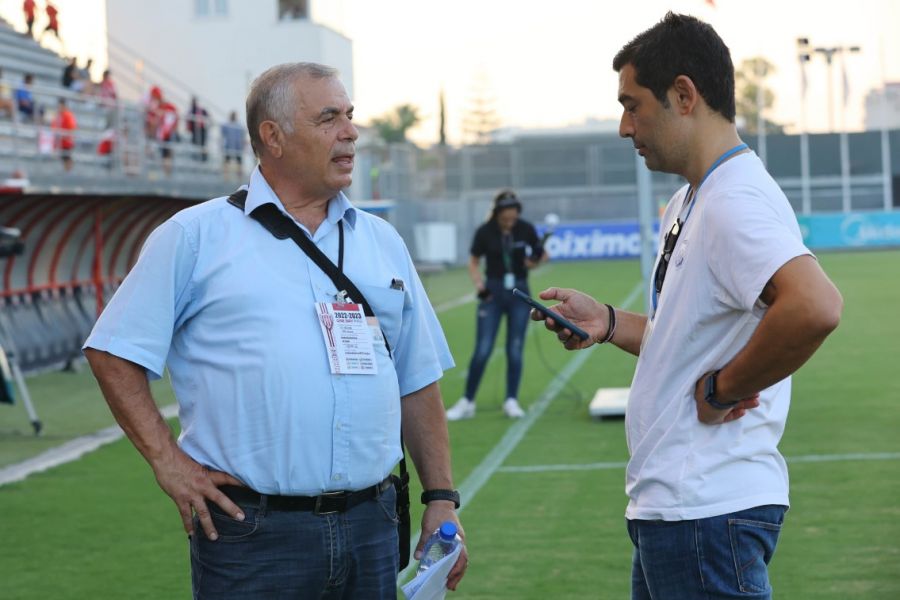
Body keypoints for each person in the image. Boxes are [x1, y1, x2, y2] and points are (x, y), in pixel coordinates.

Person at [83, 62, 468, 598]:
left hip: (373, 525)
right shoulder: (195, 236)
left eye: (350, 115)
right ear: (273, 136)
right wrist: (169, 464)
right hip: (254, 534)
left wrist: (441, 498)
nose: (351, 132)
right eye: (329, 118)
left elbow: (417, 377)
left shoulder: (381, 241)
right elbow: (113, 351)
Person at [532, 13, 843, 600]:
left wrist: (723, 390)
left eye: (632, 105)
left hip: (707, 512)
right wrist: (609, 322)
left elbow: (815, 306)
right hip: (679, 509)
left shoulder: (733, 199)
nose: (624, 127)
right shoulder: (691, 199)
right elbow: (688, 336)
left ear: (683, 95)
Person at [445, 189, 546, 421]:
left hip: (520, 292)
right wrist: (479, 285)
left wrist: (533, 262)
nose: (510, 220)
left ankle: (511, 400)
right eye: (506, 216)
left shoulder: (525, 228)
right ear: (498, 213)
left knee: (515, 348)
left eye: (513, 215)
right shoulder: (485, 231)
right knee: (483, 349)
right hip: (492, 292)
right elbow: (473, 261)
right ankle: (467, 401)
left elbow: (541, 255)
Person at [52, 97, 76, 172]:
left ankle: (68, 171)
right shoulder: (58, 115)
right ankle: (67, 171)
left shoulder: (68, 115)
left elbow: (71, 128)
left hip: (66, 142)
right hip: (60, 141)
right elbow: (54, 126)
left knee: (66, 158)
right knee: (63, 158)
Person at [220, 109, 245, 178]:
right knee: (227, 161)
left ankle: (239, 176)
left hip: (237, 147)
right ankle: (226, 176)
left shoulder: (239, 126)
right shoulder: (227, 125)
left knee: (239, 162)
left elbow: (242, 136)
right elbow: (222, 132)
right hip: (229, 146)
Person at [185, 96, 209, 161]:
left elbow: (207, 116)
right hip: (194, 131)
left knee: (203, 145)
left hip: (201, 130)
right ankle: (195, 157)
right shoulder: (191, 110)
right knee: (195, 144)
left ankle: (204, 158)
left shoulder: (201, 110)